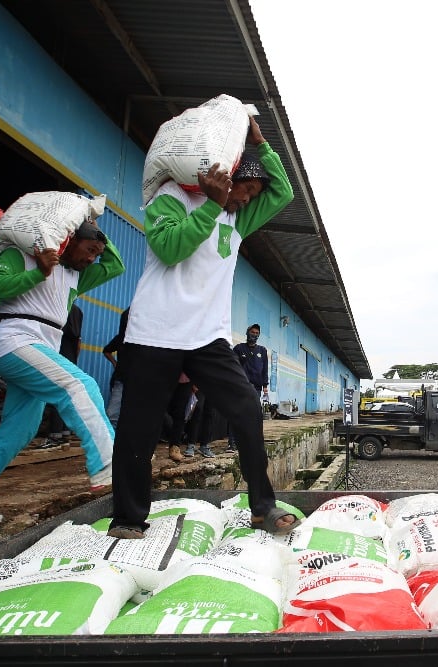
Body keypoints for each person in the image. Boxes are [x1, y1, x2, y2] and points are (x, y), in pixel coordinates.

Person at [108, 116, 296, 539]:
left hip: (207, 337)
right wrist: (212, 203)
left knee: (247, 411)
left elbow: (283, 191)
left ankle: (262, 506)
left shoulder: (238, 219)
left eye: (250, 196)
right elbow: (170, 248)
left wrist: (261, 144)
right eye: (244, 192)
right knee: (140, 426)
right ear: (225, 181)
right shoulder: (171, 196)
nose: (245, 202)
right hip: (154, 333)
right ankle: (129, 516)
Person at [0, 220, 124, 528]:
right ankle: (110, 465)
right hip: (15, 339)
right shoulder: (21, 257)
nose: (92, 259)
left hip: (40, 347)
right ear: (68, 241)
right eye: (89, 250)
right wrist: (39, 272)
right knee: (79, 385)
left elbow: (116, 266)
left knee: (20, 429)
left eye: (95, 254)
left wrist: (97, 227)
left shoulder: (77, 275)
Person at [39, 303, 83, 448]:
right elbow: (78, 342)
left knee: (56, 396)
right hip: (69, 359)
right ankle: (65, 432)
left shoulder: (59, 308)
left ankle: (55, 435)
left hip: (57, 356)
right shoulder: (78, 312)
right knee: (66, 396)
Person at [229, 323, 269, 451]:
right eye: (253, 332)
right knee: (238, 414)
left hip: (256, 388)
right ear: (247, 333)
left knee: (253, 415)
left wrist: (265, 386)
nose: (254, 335)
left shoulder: (262, 351)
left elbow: (265, 370)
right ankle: (232, 442)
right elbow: (232, 366)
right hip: (241, 386)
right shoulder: (239, 349)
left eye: (257, 333)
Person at [102, 307, 130, 428]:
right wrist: (115, 363)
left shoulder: (142, 341)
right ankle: (110, 440)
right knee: (113, 413)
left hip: (135, 380)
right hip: (121, 378)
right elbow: (106, 351)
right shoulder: (121, 338)